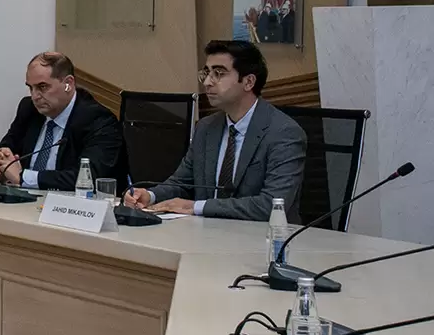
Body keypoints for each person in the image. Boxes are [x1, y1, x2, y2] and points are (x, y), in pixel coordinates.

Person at [125, 40, 304, 220]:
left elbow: (271, 205)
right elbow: (183, 183)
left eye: (218, 73)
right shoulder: (206, 127)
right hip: (207, 232)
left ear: (248, 82)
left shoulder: (284, 133)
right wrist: (150, 195)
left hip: (262, 235)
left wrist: (196, 207)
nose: (207, 82)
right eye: (206, 73)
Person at [0, 51, 127, 191]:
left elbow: (86, 178)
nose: (35, 96)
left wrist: (23, 178)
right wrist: (0, 172)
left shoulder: (98, 119)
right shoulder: (29, 109)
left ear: (68, 84)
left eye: (42, 87)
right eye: (31, 88)